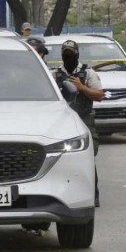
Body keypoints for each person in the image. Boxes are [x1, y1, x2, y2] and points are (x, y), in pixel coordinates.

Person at [53, 39, 104, 207]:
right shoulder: (55, 75)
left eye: (71, 54)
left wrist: (81, 87)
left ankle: (93, 194)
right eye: (65, 54)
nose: (68, 57)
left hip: (84, 119)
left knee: (89, 155)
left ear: (77, 55)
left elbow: (99, 95)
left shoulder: (87, 73)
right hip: (62, 122)